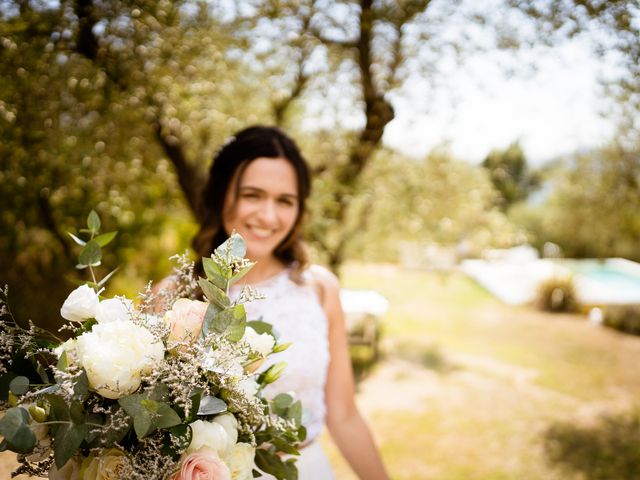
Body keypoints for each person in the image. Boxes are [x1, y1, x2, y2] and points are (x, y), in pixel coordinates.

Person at [191, 126, 390, 479]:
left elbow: (342, 414)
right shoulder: (175, 294)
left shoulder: (320, 289)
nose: (269, 217)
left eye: (285, 200)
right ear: (222, 195)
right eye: (253, 195)